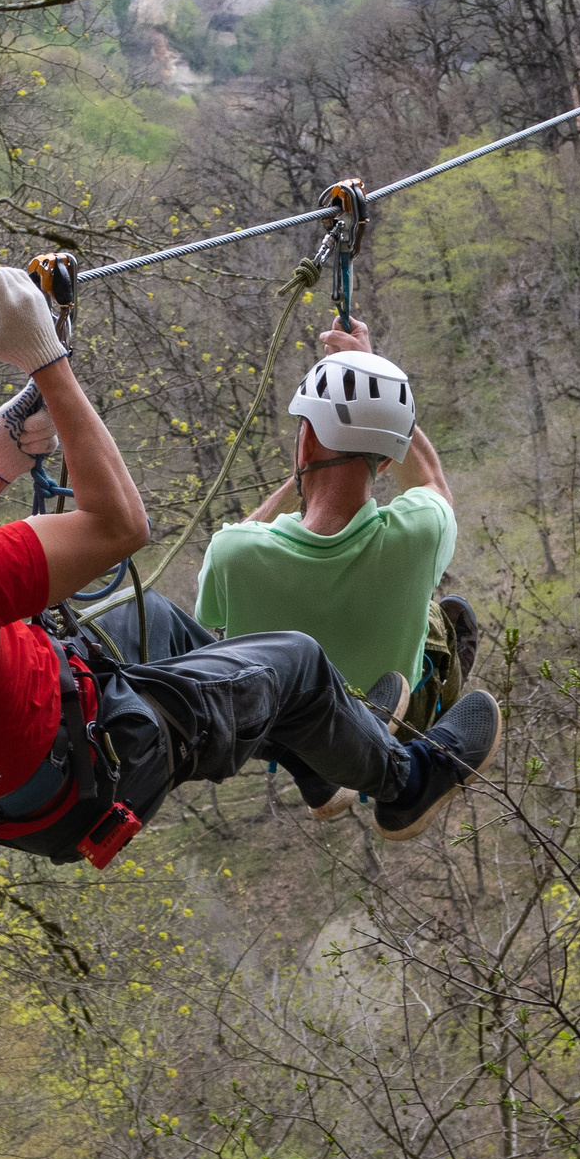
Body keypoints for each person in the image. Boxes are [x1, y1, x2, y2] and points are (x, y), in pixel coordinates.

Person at [0, 266, 500, 863]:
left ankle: (317, 758)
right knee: (295, 663)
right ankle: (404, 783)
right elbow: (120, 524)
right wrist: (47, 362)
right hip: (88, 771)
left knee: (152, 619)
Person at [194, 323, 482, 813]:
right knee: (451, 616)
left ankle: (323, 767)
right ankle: (393, 742)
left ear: (304, 445)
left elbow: (214, 590)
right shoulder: (419, 535)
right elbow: (432, 483)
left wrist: (293, 483)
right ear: (387, 460)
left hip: (285, 733)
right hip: (404, 706)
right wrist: (381, 396)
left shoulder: (235, 554)